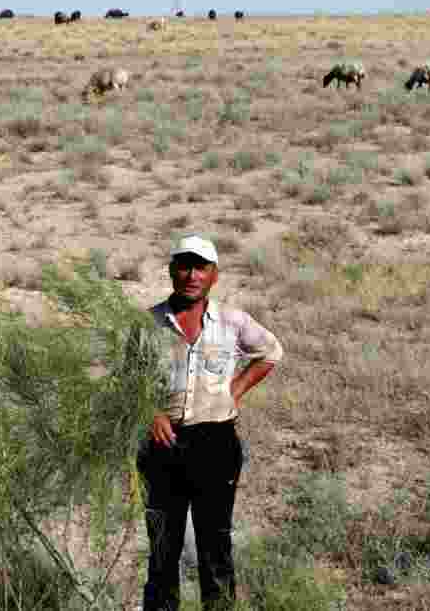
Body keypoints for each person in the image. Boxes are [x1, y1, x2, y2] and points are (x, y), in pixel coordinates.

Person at [138, 234, 283, 611]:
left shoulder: (233, 321)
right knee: (162, 551)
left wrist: (235, 390)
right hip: (162, 446)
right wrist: (150, 411)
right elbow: (128, 378)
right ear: (172, 271)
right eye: (184, 267)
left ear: (214, 275)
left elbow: (271, 352)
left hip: (215, 444)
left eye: (201, 267)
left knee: (215, 547)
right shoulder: (148, 323)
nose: (192, 275)